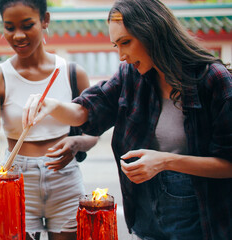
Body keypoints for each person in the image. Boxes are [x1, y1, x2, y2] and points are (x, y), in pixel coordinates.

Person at [23, 0, 232, 239]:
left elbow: (228, 164)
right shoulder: (132, 75)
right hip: (146, 211)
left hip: (200, 215)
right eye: (116, 45)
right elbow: (87, 111)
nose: (121, 55)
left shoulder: (213, 80)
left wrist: (165, 162)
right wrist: (51, 105)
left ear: (152, 32)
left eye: (126, 43)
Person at [0, 0, 98, 239]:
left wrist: (75, 144)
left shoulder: (72, 73)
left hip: (65, 177)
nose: (18, 35)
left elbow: (92, 133)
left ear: (45, 20)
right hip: (17, 178)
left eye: (27, 25)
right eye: (9, 27)